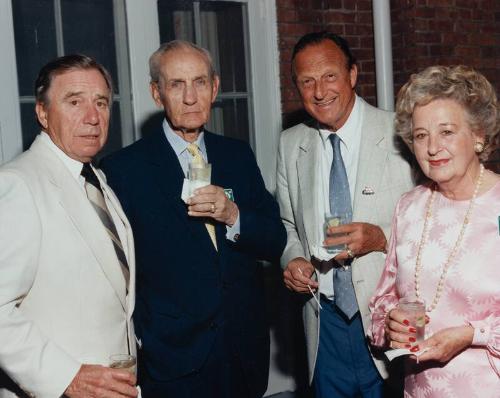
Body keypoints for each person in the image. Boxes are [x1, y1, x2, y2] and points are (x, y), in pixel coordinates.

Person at [100, 40, 286, 398]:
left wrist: (233, 215)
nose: (190, 97)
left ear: (215, 88)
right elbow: (115, 274)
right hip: (173, 358)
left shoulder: (237, 155)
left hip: (242, 350)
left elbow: (275, 238)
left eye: (200, 83)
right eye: (176, 85)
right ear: (157, 94)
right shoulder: (125, 170)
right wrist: (142, 339)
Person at [276, 31, 414, 397]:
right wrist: (293, 259)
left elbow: (432, 225)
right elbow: (288, 225)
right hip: (324, 325)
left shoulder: (402, 134)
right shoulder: (291, 144)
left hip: (389, 319)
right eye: (307, 81)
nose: (320, 92)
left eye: (330, 76)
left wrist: (382, 238)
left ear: (352, 75)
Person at [0, 55, 137, 398]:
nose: (93, 117)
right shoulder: (19, 184)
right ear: (43, 113)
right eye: (74, 101)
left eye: (101, 102)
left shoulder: (96, 180)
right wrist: (65, 377)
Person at [369, 65, 500, 397]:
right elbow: (384, 297)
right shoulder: (410, 206)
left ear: (479, 135)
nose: (431, 148)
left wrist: (472, 335)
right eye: (421, 135)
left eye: (447, 132)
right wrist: (390, 321)